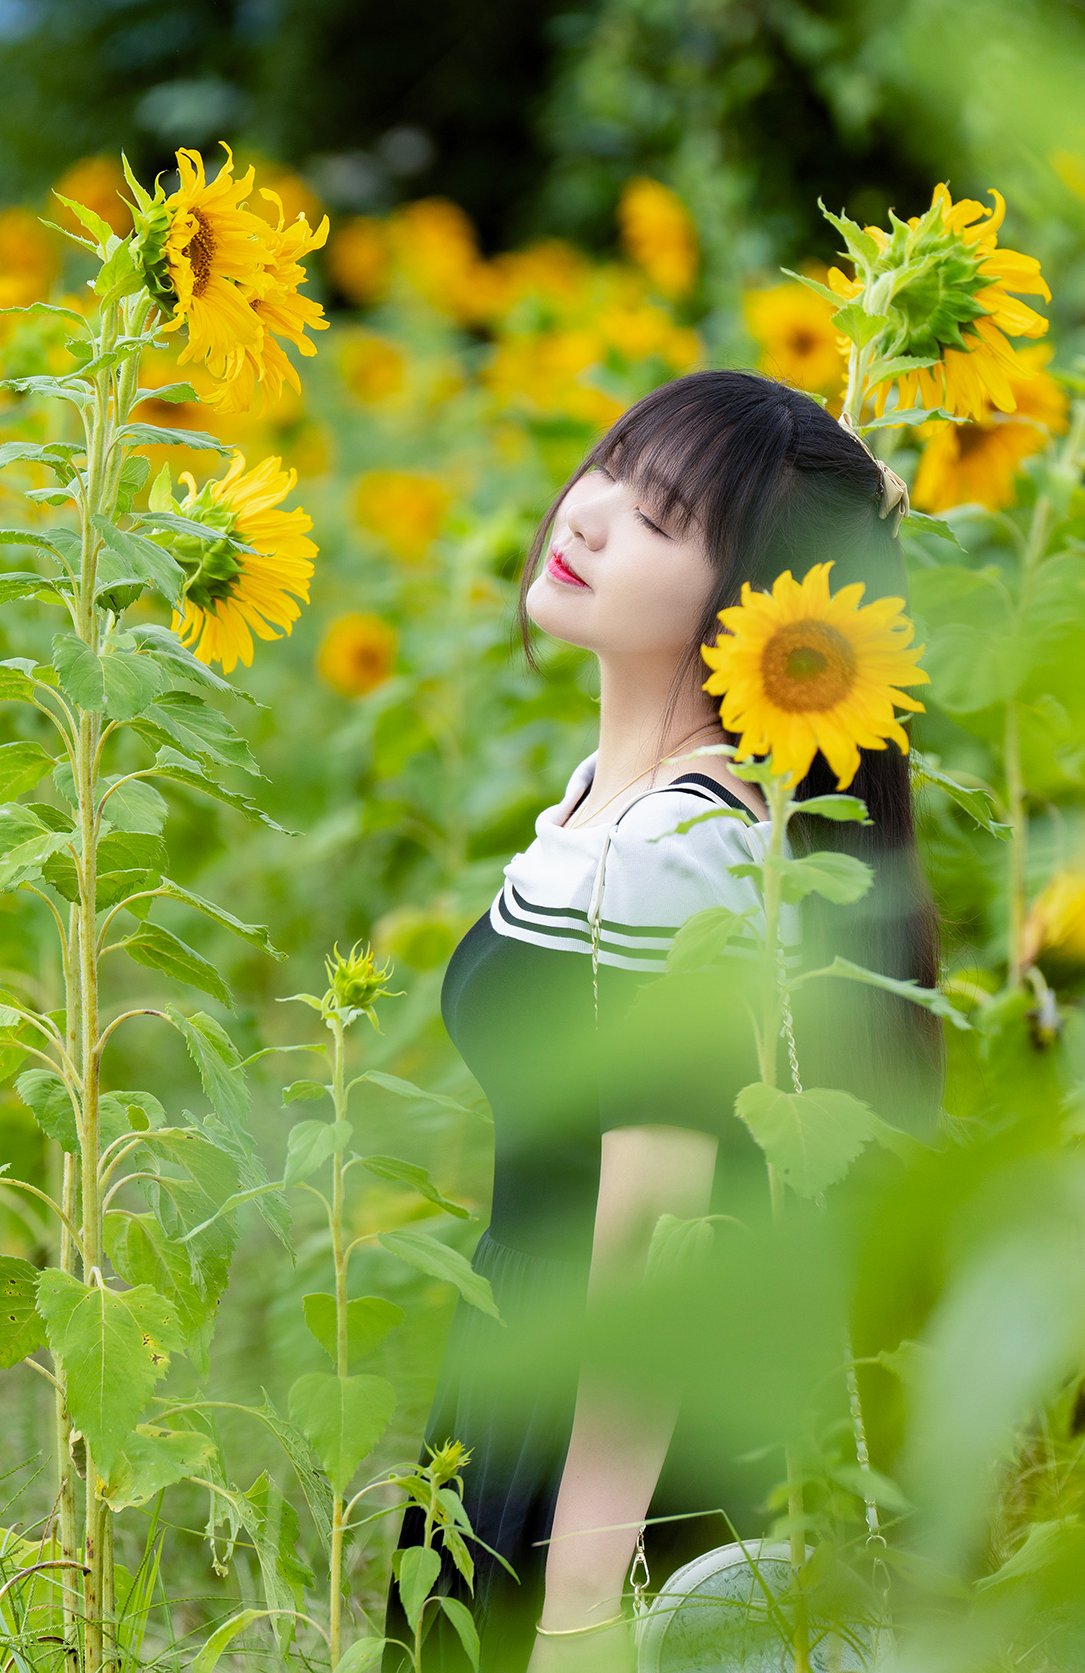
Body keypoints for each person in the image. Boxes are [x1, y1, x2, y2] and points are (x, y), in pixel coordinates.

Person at [387, 370, 944, 1673]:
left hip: (626, 1451)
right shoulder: (603, 806)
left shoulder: (681, 850)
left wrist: (579, 1610)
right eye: (612, 469)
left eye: (661, 516)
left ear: (747, 605)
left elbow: (658, 1246)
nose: (584, 518)